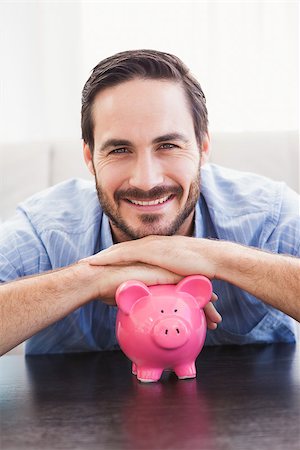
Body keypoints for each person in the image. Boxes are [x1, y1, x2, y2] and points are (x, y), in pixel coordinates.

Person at [0, 49, 299, 356]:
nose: (146, 180)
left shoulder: (267, 215)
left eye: (168, 145)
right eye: (119, 150)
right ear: (90, 157)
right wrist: (89, 278)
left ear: (203, 147)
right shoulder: (43, 231)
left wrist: (220, 258)